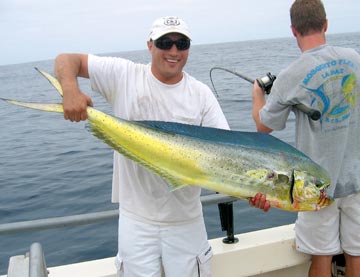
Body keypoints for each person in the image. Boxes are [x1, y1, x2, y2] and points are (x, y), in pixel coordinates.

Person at [54, 16, 230, 277]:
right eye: (165, 42)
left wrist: (254, 192)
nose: (173, 51)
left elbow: (225, 157)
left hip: (186, 221)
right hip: (135, 221)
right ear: (150, 45)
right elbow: (67, 59)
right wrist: (69, 88)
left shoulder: (201, 94)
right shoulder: (124, 75)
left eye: (182, 43)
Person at [251, 0, 360, 276]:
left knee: (321, 258)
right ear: (325, 24)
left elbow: (264, 127)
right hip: (358, 180)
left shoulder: (291, 76)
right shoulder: (355, 59)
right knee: (357, 256)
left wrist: (258, 95)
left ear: (293, 30)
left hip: (316, 186)